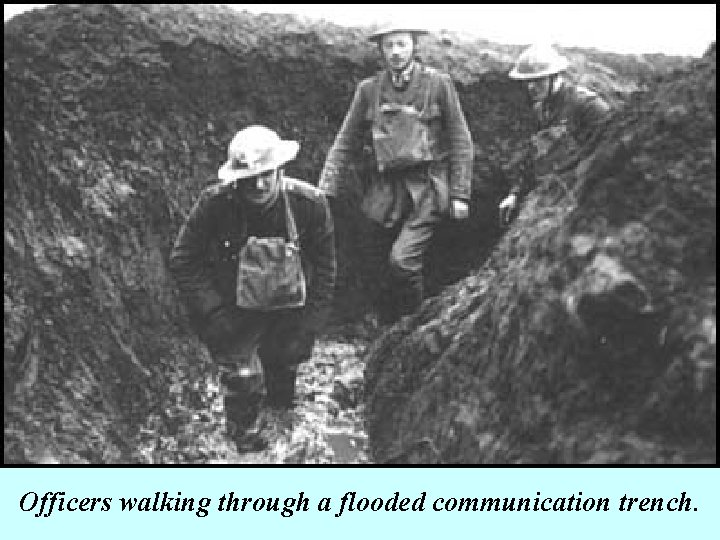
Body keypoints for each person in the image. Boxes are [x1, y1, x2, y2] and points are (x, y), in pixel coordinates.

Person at [169, 125, 336, 451]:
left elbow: (327, 268)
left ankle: (284, 445)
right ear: (235, 179)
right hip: (234, 312)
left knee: (281, 382)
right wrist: (214, 314)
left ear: (280, 171)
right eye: (249, 178)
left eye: (267, 174)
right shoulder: (214, 205)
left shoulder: (309, 205)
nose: (259, 185)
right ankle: (241, 448)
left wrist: (309, 328)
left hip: (289, 311)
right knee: (244, 381)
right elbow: (183, 259)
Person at [319, 24, 474, 324]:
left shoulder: (438, 84)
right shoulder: (369, 90)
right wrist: (327, 185)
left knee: (402, 262)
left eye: (401, 44)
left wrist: (460, 193)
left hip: (428, 186)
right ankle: (383, 321)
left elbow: (460, 139)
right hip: (388, 188)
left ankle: (412, 327)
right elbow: (346, 140)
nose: (395, 52)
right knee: (370, 249)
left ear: (414, 46)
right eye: (388, 46)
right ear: (380, 50)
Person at [499, 43, 613, 225]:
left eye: (538, 80)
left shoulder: (588, 105)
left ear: (554, 76)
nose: (531, 87)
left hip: (581, 198)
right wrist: (515, 194)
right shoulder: (541, 109)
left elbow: (610, 155)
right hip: (549, 193)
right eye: (527, 81)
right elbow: (534, 157)